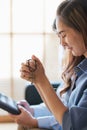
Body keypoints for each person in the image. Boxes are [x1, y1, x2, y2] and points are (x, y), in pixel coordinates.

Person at [10, 0, 87, 130]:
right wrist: (37, 81)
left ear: (83, 27)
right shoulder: (79, 69)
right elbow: (61, 106)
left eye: (64, 35)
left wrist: (42, 81)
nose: (62, 44)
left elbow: (73, 124)